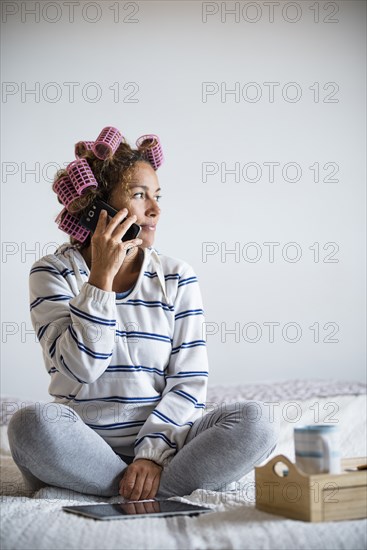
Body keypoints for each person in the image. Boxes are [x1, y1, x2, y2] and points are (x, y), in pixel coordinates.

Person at [8, 129, 279, 501]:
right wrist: (101, 279)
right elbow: (82, 368)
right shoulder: (52, 272)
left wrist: (151, 456)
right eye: (139, 195)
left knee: (257, 422)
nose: (155, 209)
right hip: (83, 446)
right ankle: (141, 487)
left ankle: (140, 486)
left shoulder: (176, 276)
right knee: (29, 425)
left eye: (157, 195)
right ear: (98, 207)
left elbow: (188, 380)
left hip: (166, 447)